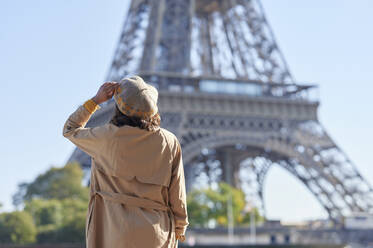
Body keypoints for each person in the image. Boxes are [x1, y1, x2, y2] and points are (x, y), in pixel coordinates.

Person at [62, 76, 189, 248]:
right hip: (156, 234)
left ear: (119, 107)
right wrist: (179, 229)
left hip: (113, 231)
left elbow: (70, 129)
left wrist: (96, 100)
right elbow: (177, 194)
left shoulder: (105, 137)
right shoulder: (169, 142)